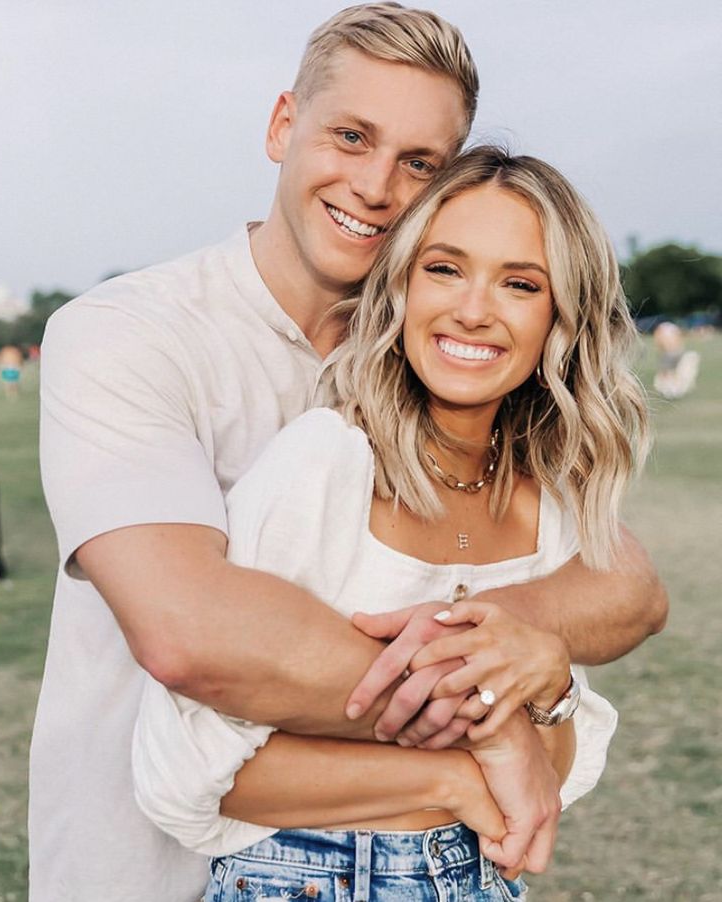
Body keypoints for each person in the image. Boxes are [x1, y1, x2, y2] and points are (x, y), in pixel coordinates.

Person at [34, 5, 667, 902]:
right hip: (146, 865)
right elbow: (190, 636)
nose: (376, 185)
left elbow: (625, 586)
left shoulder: (436, 360)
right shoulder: (128, 334)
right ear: (282, 125)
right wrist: (488, 719)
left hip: (421, 853)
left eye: (420, 164)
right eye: (351, 136)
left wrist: (532, 650)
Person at [130, 145, 642, 901]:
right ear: (400, 284)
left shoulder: (553, 506)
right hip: (302, 881)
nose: (473, 308)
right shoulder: (327, 463)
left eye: (520, 283)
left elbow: (548, 778)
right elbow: (189, 773)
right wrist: (459, 775)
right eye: (444, 268)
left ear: (560, 318)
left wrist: (550, 678)